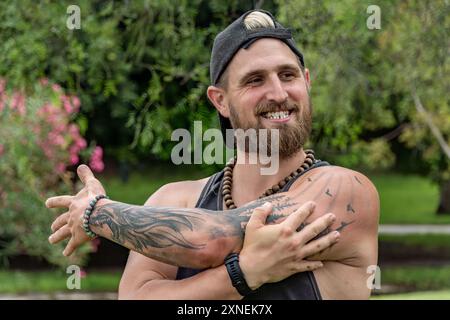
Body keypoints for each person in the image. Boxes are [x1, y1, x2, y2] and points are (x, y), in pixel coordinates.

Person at [46, 10, 379, 300]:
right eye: (255, 80)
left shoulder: (345, 191)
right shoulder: (175, 199)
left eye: (288, 75)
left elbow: (212, 239)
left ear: (306, 82)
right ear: (220, 100)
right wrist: (244, 273)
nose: (278, 93)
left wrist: (96, 212)